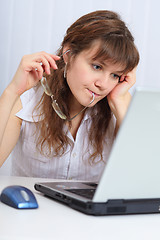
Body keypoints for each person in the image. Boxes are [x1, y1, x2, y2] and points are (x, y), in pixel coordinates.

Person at [0, 10, 139, 181]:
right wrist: (12, 91)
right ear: (68, 54)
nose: (103, 84)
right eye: (97, 66)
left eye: (115, 75)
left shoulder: (118, 108)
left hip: (86, 209)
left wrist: (121, 105)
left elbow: (138, 182)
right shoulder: (28, 100)